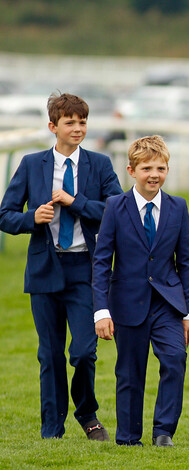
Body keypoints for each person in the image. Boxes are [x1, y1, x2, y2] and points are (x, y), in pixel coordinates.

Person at [0, 93, 122, 440]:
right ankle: (52, 427)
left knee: (84, 351)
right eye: (70, 122)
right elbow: (5, 215)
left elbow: (116, 211)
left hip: (86, 270)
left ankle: (87, 414)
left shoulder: (99, 165)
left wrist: (76, 202)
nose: (78, 128)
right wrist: (31, 218)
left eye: (82, 121)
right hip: (44, 270)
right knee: (50, 354)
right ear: (53, 126)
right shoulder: (30, 164)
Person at [91, 136, 189, 447]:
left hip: (168, 303)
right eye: (147, 167)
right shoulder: (115, 206)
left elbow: (186, 262)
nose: (154, 174)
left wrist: (188, 311)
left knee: (175, 358)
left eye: (161, 168)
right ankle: (128, 437)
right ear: (131, 170)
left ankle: (163, 432)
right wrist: (101, 310)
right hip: (126, 302)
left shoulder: (178, 207)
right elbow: (101, 261)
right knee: (129, 371)